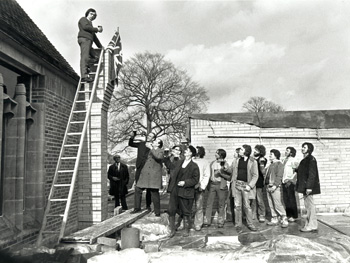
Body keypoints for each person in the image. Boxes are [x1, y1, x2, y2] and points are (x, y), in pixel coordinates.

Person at [132, 135, 164, 216]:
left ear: (158, 144)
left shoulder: (160, 151)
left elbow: (158, 157)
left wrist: (151, 148)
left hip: (154, 176)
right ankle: (137, 208)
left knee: (154, 193)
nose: (153, 141)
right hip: (145, 175)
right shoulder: (149, 150)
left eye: (156, 141)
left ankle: (157, 212)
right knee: (138, 189)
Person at [173, 145, 200, 237]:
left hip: (187, 191)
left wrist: (185, 182)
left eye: (187, 150)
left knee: (186, 211)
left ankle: (186, 229)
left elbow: (195, 179)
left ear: (191, 153)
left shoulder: (194, 166)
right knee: (178, 209)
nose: (185, 151)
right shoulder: (180, 162)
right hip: (178, 190)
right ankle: (178, 224)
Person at [231, 145, 258, 232]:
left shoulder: (253, 161)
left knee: (247, 206)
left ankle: (250, 224)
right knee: (237, 206)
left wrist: (250, 186)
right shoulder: (237, 160)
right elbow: (231, 171)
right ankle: (238, 224)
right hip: (237, 185)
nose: (239, 150)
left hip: (246, 186)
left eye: (242, 149)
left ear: (246, 151)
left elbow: (255, 175)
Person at [204, 149, 232, 228]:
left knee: (221, 204)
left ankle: (220, 221)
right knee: (209, 203)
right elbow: (209, 174)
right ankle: (207, 221)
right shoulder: (212, 163)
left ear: (221, 155)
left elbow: (229, 177)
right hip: (212, 184)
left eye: (217, 153)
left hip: (221, 185)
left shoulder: (225, 164)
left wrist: (221, 172)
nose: (215, 154)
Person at [296, 142, 321, 232]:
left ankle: (312, 225)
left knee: (310, 206)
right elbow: (304, 172)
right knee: (308, 206)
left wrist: (309, 187)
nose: (302, 148)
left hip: (308, 188)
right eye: (302, 147)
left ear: (309, 149)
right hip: (305, 187)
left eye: (304, 147)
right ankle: (309, 223)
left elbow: (312, 174)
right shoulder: (305, 160)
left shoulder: (311, 159)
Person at [128, 132, 153, 212]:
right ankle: (137, 208)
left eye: (152, 136)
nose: (149, 137)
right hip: (139, 168)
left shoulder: (153, 146)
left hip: (148, 169)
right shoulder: (141, 144)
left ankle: (148, 205)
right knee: (137, 188)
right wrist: (133, 135)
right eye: (149, 135)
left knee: (149, 188)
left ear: (153, 138)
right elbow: (131, 143)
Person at [264, 149, 289, 228]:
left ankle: (284, 218)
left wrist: (275, 185)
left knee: (277, 204)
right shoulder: (270, 165)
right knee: (271, 204)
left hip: (274, 187)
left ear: (276, 155)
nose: (270, 156)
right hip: (268, 186)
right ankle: (274, 218)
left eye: (271, 154)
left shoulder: (279, 164)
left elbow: (279, 176)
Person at [77, 8, 103, 82]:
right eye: (91, 14)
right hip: (84, 39)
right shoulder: (83, 19)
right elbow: (85, 27)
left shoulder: (91, 26)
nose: (92, 16)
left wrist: (100, 47)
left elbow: (94, 37)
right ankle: (84, 76)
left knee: (96, 57)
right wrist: (97, 29)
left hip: (89, 42)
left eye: (94, 15)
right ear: (87, 13)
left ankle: (87, 66)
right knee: (84, 57)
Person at [163, 145, 184, 237]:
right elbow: (170, 167)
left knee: (181, 207)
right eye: (175, 149)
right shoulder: (172, 159)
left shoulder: (183, 159)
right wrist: (167, 156)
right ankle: (172, 229)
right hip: (173, 186)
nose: (176, 151)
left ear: (180, 152)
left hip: (182, 186)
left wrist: (177, 158)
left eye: (178, 150)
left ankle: (182, 221)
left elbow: (179, 169)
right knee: (171, 208)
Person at [193, 146, 210, 230]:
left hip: (199, 187)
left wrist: (202, 186)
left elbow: (206, 175)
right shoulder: (191, 160)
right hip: (189, 187)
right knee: (187, 206)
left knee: (198, 206)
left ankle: (198, 223)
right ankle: (186, 222)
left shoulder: (205, 162)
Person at [282, 147, 299, 222]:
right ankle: (288, 215)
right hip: (284, 182)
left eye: (287, 151)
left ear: (291, 153)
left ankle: (294, 215)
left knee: (291, 198)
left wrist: (291, 180)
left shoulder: (294, 160)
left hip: (290, 182)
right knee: (286, 199)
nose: (285, 152)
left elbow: (297, 171)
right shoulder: (284, 160)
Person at [253, 145, 268, 223]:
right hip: (251, 182)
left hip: (258, 182)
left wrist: (261, 163)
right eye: (254, 150)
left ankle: (261, 215)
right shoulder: (252, 159)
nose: (254, 151)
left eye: (256, 150)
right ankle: (253, 215)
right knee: (252, 199)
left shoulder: (262, 159)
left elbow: (263, 171)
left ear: (260, 152)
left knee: (259, 199)